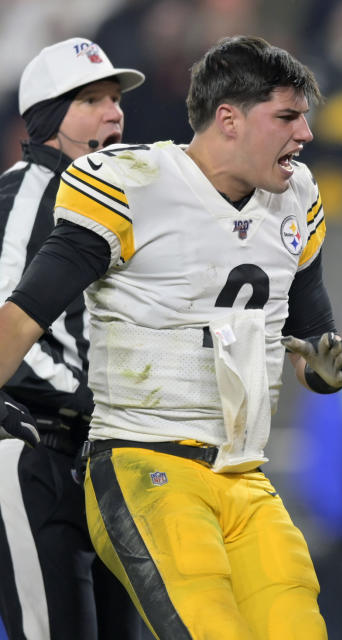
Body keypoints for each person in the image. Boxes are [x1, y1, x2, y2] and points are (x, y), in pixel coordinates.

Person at [0, 35, 342, 639]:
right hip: (122, 454)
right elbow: (18, 316)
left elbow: (313, 338)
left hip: (239, 469)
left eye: (115, 99)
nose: (306, 134)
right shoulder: (124, 186)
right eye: (288, 116)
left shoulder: (295, 196)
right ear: (229, 119)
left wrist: (326, 370)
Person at [0, 37, 150, 640]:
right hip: (32, 445)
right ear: (48, 120)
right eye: (92, 99)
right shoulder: (26, 193)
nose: (115, 113)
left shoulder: (117, 204)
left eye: (116, 99)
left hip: (101, 460)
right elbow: (7, 321)